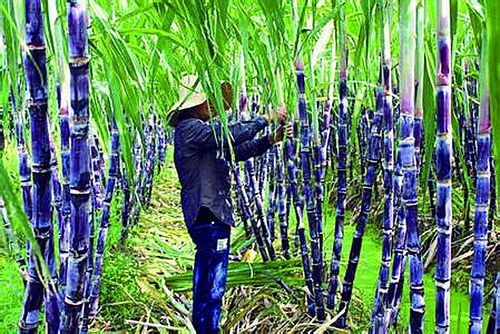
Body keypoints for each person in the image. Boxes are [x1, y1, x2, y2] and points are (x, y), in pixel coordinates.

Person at [168, 75, 291, 333]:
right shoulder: (191, 129)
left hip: (211, 215)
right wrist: (266, 118)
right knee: (212, 288)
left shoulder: (202, 135)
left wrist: (271, 139)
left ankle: (203, 328)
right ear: (196, 104)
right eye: (208, 101)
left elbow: (239, 150)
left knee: (207, 285)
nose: (213, 107)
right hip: (208, 215)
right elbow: (231, 134)